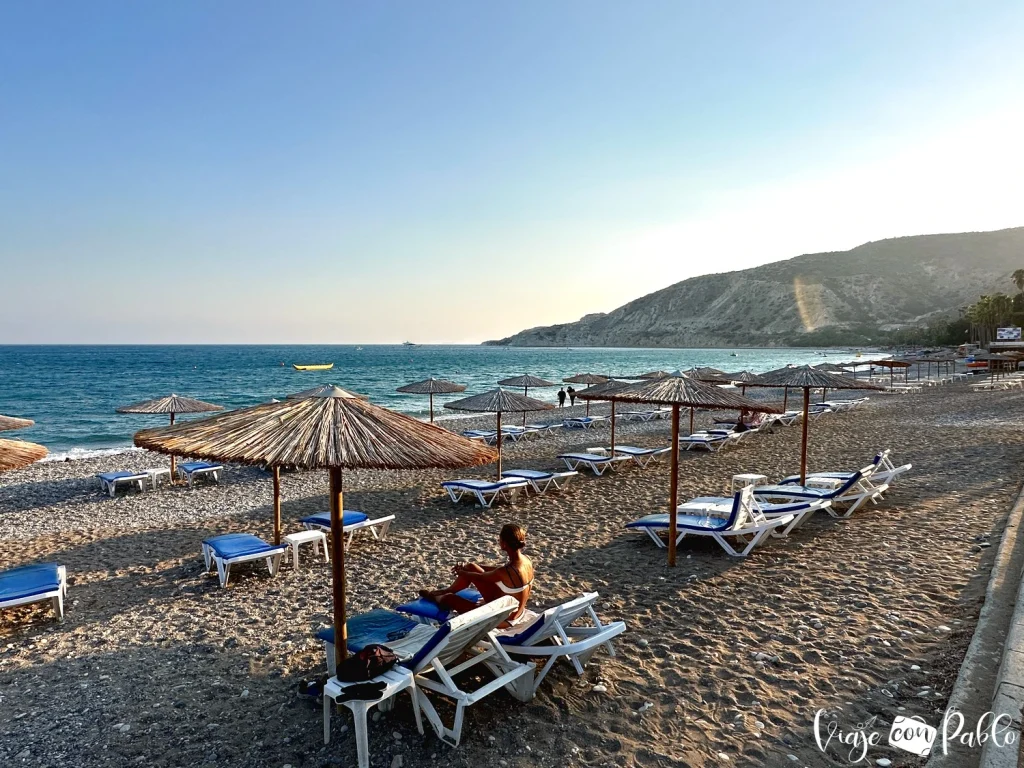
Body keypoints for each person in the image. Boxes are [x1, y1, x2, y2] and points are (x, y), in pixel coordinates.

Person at [419, 523, 534, 625]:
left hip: (504, 619)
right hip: (514, 610)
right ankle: (448, 590)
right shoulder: (526, 561)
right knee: (472, 567)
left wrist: (461, 572)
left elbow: (480, 577)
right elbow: (498, 570)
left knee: (451, 599)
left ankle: (440, 596)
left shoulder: (506, 571)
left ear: (504, 544)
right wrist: (466, 568)